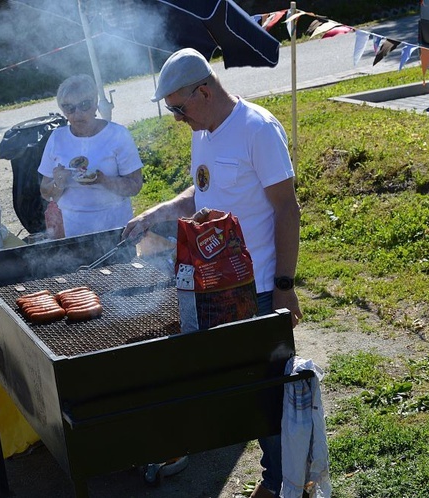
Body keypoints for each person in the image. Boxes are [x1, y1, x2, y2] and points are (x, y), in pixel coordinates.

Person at [122, 48, 303, 498]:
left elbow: (287, 208)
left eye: (179, 108)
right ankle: (259, 470)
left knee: (268, 390)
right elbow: (203, 191)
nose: (178, 119)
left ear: (203, 90)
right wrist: (156, 213)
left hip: (258, 288)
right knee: (230, 383)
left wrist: (284, 286)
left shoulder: (256, 129)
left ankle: (283, 483)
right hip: (214, 287)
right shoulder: (203, 130)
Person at [38, 74, 143, 238]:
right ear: (62, 110)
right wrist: (58, 183)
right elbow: (45, 192)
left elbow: (135, 186)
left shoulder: (118, 134)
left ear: (95, 104)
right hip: (73, 228)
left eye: (84, 105)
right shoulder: (57, 138)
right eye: (69, 108)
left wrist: (103, 180)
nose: (77, 113)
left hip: (115, 225)